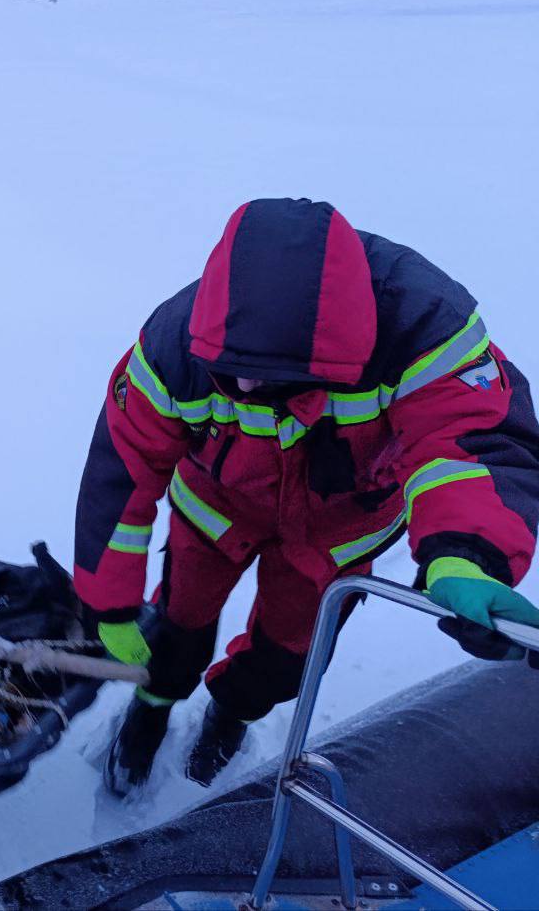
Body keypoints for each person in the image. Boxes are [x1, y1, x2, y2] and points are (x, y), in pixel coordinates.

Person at [74, 198, 539, 795]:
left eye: (269, 375)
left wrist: (466, 554)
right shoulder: (173, 346)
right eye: (231, 368)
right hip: (213, 515)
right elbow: (121, 469)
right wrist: (107, 602)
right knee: (176, 628)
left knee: (286, 658)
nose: (244, 385)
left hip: (338, 536)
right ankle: (153, 705)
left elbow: (472, 442)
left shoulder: (423, 330)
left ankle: (232, 712)